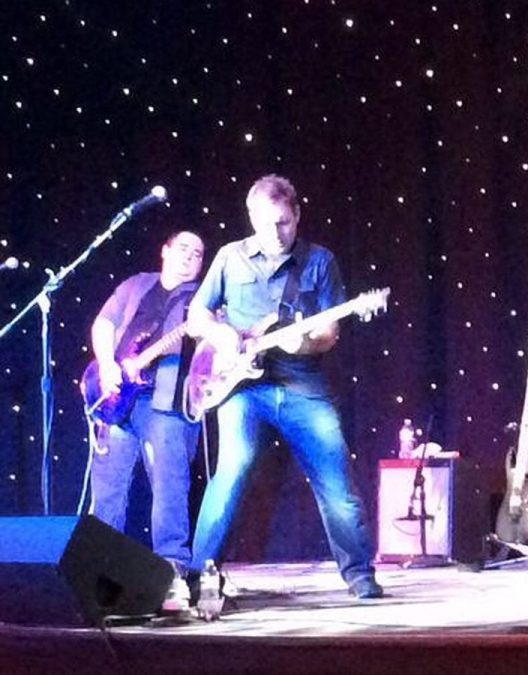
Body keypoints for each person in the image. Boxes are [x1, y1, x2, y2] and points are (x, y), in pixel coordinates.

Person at [186, 174, 382, 599]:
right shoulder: (230, 257)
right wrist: (222, 335)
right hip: (241, 387)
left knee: (335, 475)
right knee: (233, 468)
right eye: (266, 223)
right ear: (251, 217)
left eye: (283, 223)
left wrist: (305, 342)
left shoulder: (320, 261)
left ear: (297, 215)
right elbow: (197, 315)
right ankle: (200, 576)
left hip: (301, 383)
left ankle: (360, 575)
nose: (275, 233)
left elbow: (329, 332)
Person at [88, 230, 205, 609]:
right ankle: (98, 575)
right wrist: (108, 365)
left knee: (170, 486)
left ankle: (172, 574)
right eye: (183, 248)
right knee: (107, 491)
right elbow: (104, 324)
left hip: (167, 403)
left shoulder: (202, 298)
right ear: (164, 250)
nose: (190, 257)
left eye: (198, 254)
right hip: (117, 399)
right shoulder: (136, 284)